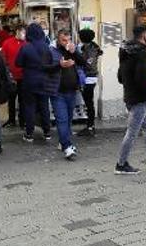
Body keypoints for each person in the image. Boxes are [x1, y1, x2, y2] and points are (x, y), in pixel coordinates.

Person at [115, 25, 146, 175]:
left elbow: (120, 76)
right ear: (144, 35)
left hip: (129, 95)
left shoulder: (125, 51)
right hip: (139, 98)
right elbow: (141, 77)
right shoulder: (140, 53)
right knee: (132, 132)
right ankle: (121, 164)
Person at [16, 23, 57, 142]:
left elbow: (18, 63)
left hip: (29, 81)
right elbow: (50, 63)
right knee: (44, 107)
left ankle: (29, 134)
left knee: (30, 107)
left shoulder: (26, 47)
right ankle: (47, 132)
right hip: (44, 81)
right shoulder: (46, 47)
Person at [52, 29, 86, 161]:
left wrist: (75, 52)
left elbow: (83, 63)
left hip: (72, 90)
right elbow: (46, 67)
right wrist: (59, 65)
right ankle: (67, 147)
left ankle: (62, 141)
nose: (66, 43)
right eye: (63, 40)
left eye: (68, 40)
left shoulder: (72, 50)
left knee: (69, 118)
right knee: (62, 119)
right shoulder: (52, 51)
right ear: (58, 40)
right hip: (57, 91)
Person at [77, 28, 103, 136]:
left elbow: (88, 64)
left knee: (89, 102)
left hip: (89, 78)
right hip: (89, 77)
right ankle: (90, 125)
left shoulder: (90, 50)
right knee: (88, 102)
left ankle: (90, 126)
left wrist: (78, 59)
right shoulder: (90, 47)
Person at [1, 25, 26, 128]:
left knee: (23, 99)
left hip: (24, 76)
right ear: (17, 31)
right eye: (22, 32)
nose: (23, 35)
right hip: (11, 77)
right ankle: (11, 120)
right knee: (11, 99)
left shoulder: (27, 44)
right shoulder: (7, 43)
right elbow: (3, 58)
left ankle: (22, 120)